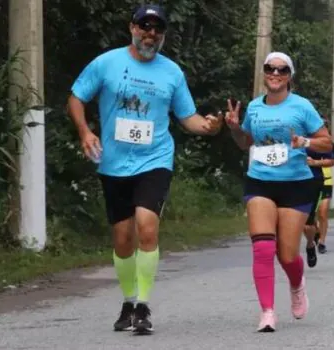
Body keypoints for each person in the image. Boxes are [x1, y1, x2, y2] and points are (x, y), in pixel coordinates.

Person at [67, 4, 223, 335]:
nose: (151, 34)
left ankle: (143, 306)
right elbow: (76, 97)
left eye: (158, 30)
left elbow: (187, 117)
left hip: (155, 160)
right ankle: (127, 302)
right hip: (113, 162)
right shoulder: (107, 63)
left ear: (163, 35)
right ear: (132, 28)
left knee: (147, 227)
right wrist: (85, 131)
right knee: (122, 239)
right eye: (145, 27)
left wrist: (208, 127)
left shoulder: (172, 73)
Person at [225, 51, 332, 332]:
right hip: (260, 180)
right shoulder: (254, 107)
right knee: (262, 247)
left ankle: (297, 285)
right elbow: (245, 142)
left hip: (295, 184)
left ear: (289, 76)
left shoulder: (302, 106)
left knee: (286, 255)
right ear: (264, 73)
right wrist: (235, 128)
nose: (275, 74)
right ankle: (268, 312)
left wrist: (305, 141)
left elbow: (326, 142)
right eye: (270, 68)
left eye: (282, 70)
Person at [303, 132, 334, 267]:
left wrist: (314, 162)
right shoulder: (286, 134)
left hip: (314, 181)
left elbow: (331, 161)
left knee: (309, 220)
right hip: (290, 180)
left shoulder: (319, 141)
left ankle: (311, 244)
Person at [313, 137, 334, 254]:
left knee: (322, 213)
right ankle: (316, 232)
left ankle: (322, 242)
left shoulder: (329, 145)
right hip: (309, 181)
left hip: (326, 181)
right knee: (309, 216)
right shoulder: (306, 142)